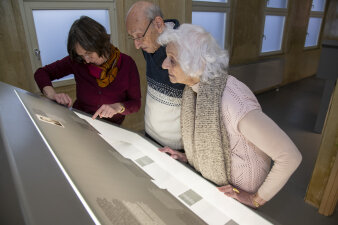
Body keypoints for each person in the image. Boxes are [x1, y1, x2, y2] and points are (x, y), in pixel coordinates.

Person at [157, 24, 302, 208]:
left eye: (172, 60)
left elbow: (289, 156)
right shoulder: (194, 90)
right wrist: (188, 157)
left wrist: (255, 199)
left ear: (197, 63)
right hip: (217, 189)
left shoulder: (233, 101)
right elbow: (213, 144)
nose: (164, 65)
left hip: (237, 197)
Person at [34, 16, 141, 125]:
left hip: (111, 127)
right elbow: (41, 73)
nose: (86, 60)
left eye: (88, 53)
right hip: (80, 122)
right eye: (81, 55)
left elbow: (136, 103)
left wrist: (118, 107)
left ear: (101, 43)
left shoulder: (127, 64)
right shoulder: (77, 61)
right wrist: (52, 95)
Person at [126, 1, 185, 149]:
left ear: (158, 24)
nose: (137, 45)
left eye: (139, 36)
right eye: (132, 37)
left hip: (177, 148)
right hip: (151, 138)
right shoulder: (149, 46)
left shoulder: (184, 49)